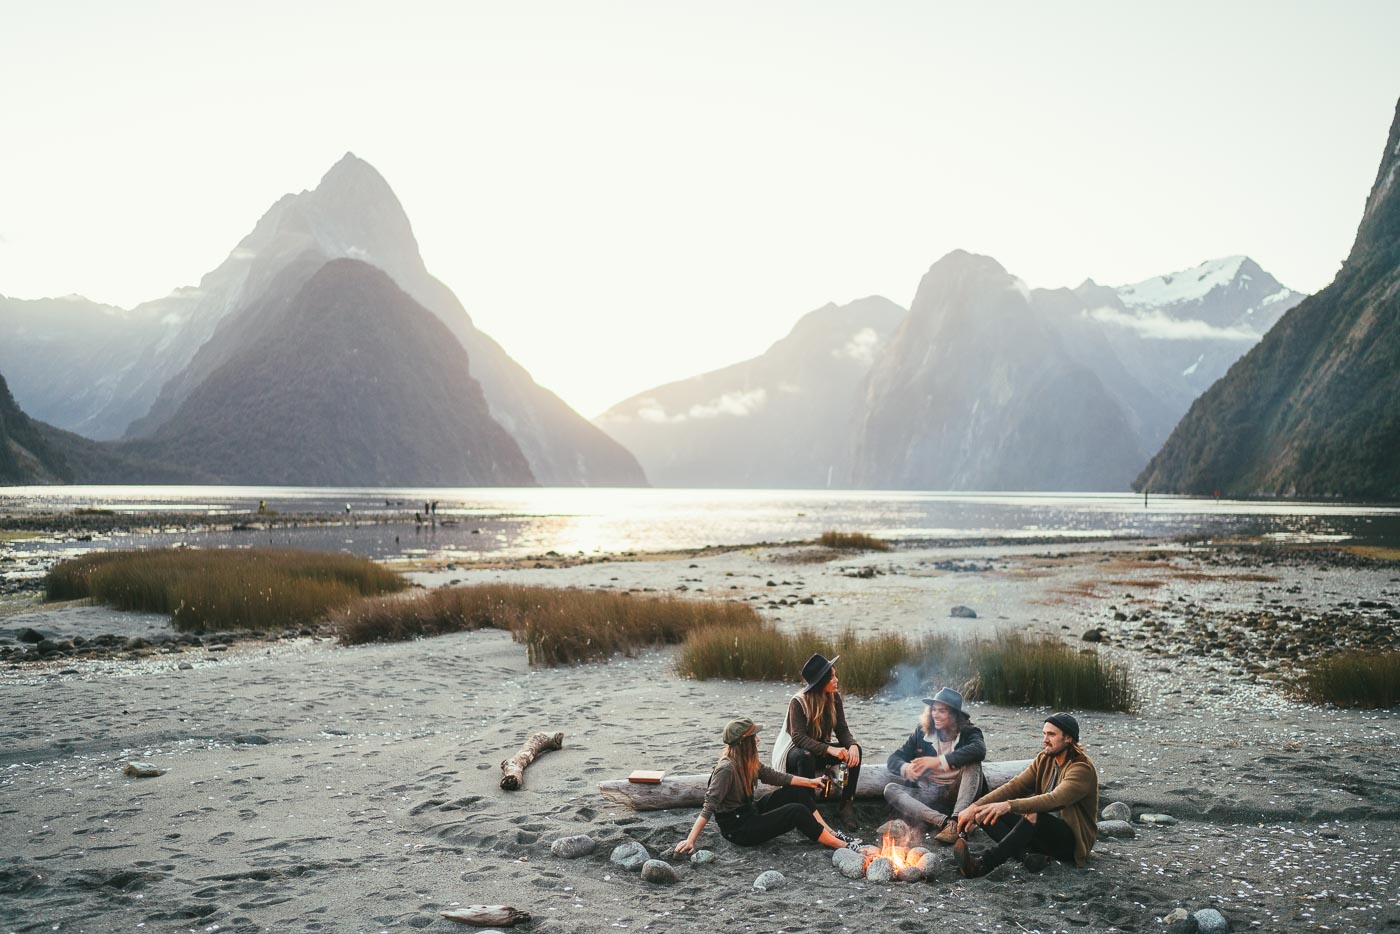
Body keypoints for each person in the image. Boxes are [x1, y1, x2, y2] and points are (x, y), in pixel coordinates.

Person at [674, 718, 861, 855]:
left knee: (797, 792)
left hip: (749, 812)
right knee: (796, 811)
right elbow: (709, 805)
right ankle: (842, 846)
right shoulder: (726, 769)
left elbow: (775, 777)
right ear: (744, 742)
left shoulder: (748, 761)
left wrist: (810, 782)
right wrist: (691, 840)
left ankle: (832, 834)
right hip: (738, 830)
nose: (758, 740)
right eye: (754, 737)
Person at [953, 712, 1099, 876]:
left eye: (1051, 734)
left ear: (1068, 738)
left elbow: (1055, 799)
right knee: (985, 812)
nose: (1045, 740)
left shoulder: (1081, 768)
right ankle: (1026, 857)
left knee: (1035, 815)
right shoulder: (1044, 759)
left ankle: (982, 865)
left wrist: (1009, 805)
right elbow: (1016, 786)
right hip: (1039, 834)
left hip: (1070, 842)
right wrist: (975, 807)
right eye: (1044, 734)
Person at [883, 687, 986, 845]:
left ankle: (957, 819)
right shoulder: (921, 732)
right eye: (934, 710)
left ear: (953, 715)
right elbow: (894, 758)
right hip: (930, 796)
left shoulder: (969, 732)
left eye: (942, 711)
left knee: (973, 763)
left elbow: (979, 750)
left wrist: (939, 761)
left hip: (959, 794)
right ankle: (945, 823)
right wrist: (905, 768)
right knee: (890, 789)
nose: (935, 714)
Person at [770, 653, 862, 826]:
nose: (836, 680)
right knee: (805, 755)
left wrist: (853, 745)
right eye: (832, 677)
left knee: (856, 751)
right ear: (821, 682)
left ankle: (846, 805)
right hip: (794, 755)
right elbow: (798, 738)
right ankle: (809, 809)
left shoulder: (834, 698)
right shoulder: (798, 702)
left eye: (835, 675)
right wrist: (829, 749)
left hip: (817, 751)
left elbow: (842, 730)